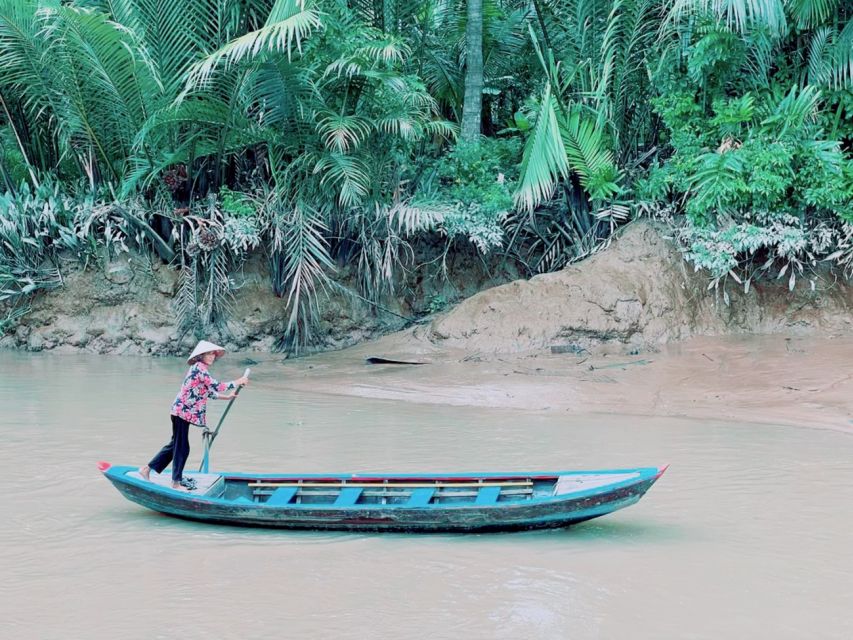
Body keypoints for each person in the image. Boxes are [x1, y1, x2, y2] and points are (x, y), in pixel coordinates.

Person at [139, 340, 249, 491]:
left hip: (182, 413)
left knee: (175, 445)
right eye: (209, 354)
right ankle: (175, 482)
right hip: (182, 412)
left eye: (213, 354)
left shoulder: (201, 369)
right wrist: (238, 381)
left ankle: (147, 469)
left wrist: (227, 397)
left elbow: (208, 391)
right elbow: (217, 386)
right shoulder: (199, 369)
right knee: (182, 448)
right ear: (201, 355)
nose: (212, 357)